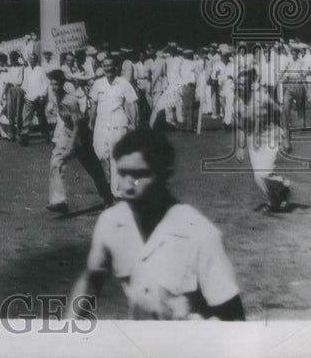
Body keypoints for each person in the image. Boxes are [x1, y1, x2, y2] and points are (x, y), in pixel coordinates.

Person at [68, 128, 244, 320]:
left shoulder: (199, 233)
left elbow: (233, 316)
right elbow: (91, 278)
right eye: (122, 173)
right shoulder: (112, 222)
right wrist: (69, 328)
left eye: (138, 175)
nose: (126, 186)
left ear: (163, 175)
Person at [46, 70, 114, 215]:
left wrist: (72, 145)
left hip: (81, 135)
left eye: (57, 84)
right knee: (56, 162)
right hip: (67, 131)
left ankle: (107, 197)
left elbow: (78, 124)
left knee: (93, 168)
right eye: (52, 84)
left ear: (63, 84)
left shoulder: (70, 100)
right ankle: (59, 202)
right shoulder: (54, 97)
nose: (54, 87)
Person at [235, 68, 293, 212]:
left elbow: (281, 114)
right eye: (239, 84)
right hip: (253, 140)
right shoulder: (237, 104)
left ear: (250, 84)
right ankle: (275, 200)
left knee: (265, 173)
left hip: (271, 136)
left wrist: (287, 138)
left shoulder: (262, 97)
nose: (241, 86)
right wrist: (240, 147)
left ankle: (283, 186)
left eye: (244, 83)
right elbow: (241, 126)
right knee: (258, 178)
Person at [89, 55, 138, 197]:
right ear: (102, 67)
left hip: (118, 121)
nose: (108, 68)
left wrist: (133, 123)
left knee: (115, 156)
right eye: (105, 66)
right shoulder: (98, 84)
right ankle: (109, 178)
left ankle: (115, 191)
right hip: (101, 122)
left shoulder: (124, 84)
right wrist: (91, 122)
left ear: (116, 67)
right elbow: (93, 104)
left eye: (110, 66)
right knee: (101, 153)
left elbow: (131, 104)